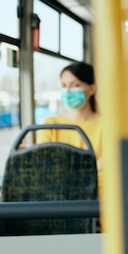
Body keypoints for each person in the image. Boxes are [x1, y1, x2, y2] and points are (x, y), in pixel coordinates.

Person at [37, 62, 104, 194]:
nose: (68, 90)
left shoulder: (107, 126)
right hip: (59, 197)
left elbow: (109, 165)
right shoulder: (50, 125)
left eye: (75, 85)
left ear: (91, 89)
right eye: (64, 85)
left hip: (99, 198)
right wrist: (93, 167)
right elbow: (46, 167)